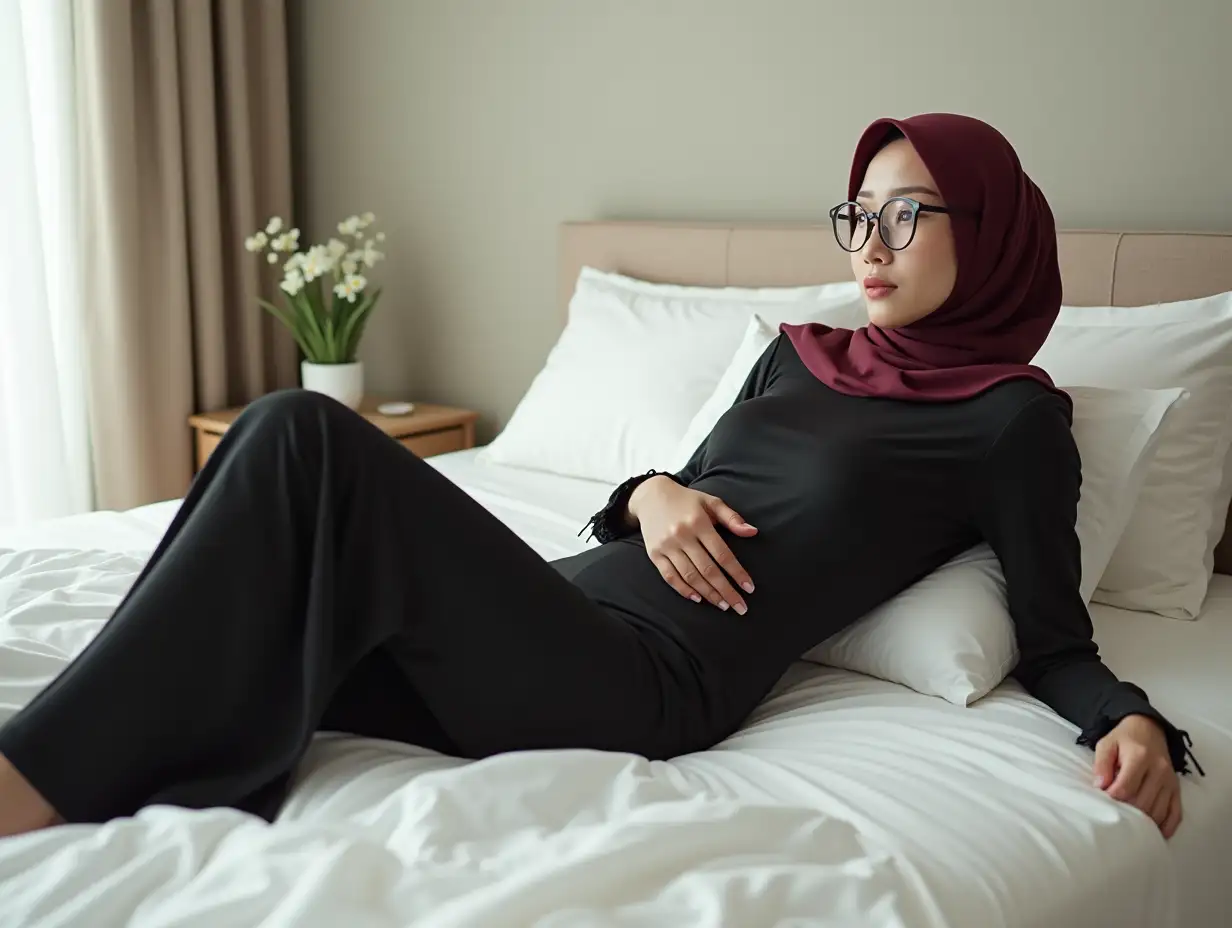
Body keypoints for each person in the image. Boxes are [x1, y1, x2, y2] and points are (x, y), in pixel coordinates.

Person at [0, 113, 1201, 843]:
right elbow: (673, 485)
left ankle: (30, 779)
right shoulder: (797, 351)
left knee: (296, 436)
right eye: (855, 215)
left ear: (984, 230)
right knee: (256, 609)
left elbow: (1051, 635)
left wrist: (1130, 718)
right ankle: (74, 745)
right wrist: (651, 493)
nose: (867, 246)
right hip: (555, 601)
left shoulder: (1006, 423)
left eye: (907, 215)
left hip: (643, 681)